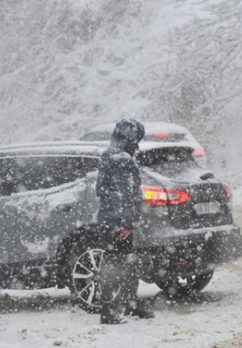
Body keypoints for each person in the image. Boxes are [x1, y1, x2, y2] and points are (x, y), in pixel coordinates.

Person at [95, 118, 155, 324]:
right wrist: (125, 223)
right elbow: (124, 195)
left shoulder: (109, 155)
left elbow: (101, 190)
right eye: (137, 138)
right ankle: (109, 309)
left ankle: (127, 303)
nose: (138, 144)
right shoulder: (122, 160)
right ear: (131, 138)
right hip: (118, 223)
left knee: (125, 263)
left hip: (109, 220)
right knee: (117, 264)